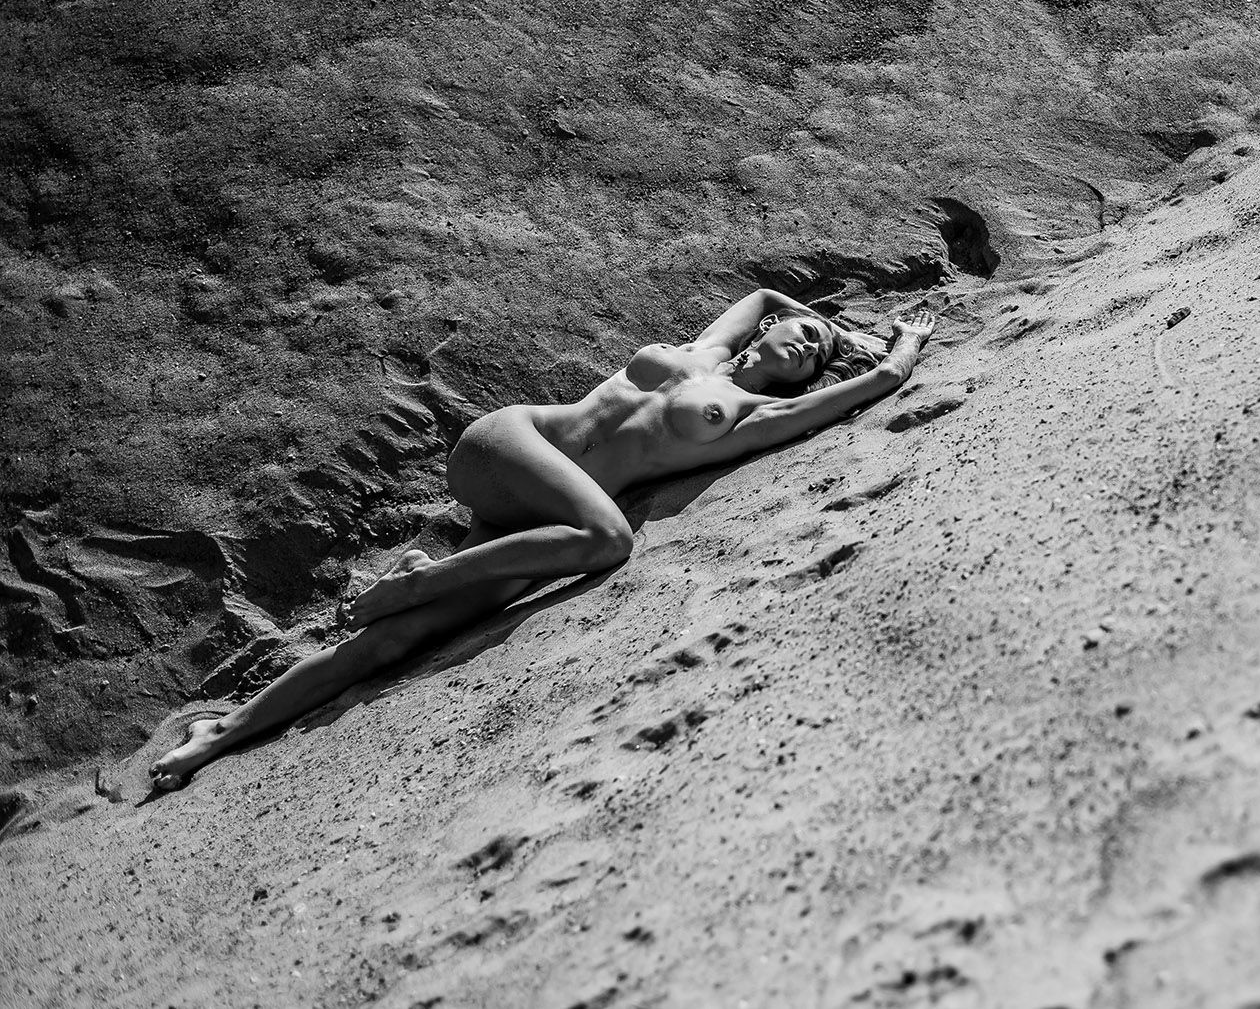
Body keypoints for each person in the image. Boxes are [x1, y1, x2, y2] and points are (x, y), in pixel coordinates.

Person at [148, 290, 937, 790]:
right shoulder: (705, 350)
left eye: (816, 355)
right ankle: (418, 577)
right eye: (804, 331)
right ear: (771, 327)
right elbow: (762, 293)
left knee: (390, 644)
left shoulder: (755, 413)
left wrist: (898, 349)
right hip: (509, 442)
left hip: (533, 519)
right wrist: (839, 324)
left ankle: (221, 733)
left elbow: (877, 384)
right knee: (611, 537)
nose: (808, 346)